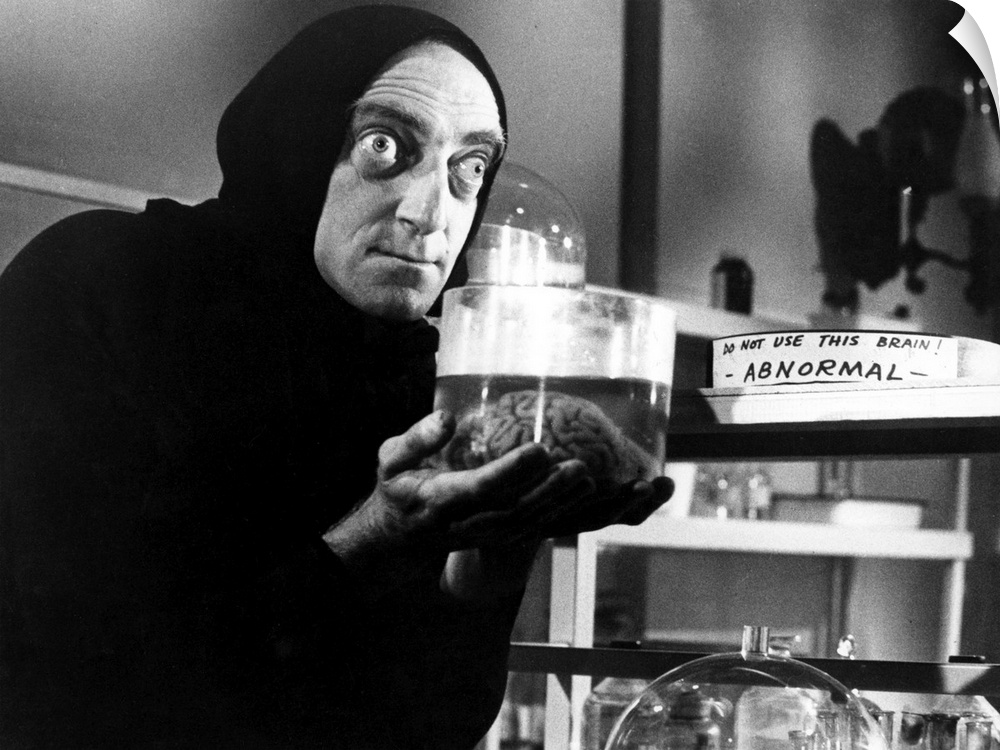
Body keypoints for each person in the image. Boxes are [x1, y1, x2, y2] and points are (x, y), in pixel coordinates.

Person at [0, 6, 672, 748]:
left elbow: (431, 726)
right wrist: (373, 535)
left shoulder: (428, 384)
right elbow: (65, 678)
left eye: (469, 168)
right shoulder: (101, 285)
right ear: (294, 143)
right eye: (385, 145)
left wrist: (496, 554)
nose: (431, 215)